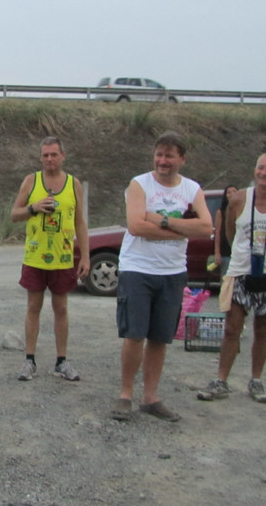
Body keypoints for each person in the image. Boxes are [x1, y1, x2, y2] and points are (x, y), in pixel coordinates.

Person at [112, 132, 212, 422]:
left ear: (182, 159)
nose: (162, 160)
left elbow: (206, 228)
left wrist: (162, 219)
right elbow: (136, 226)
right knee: (135, 334)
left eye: (169, 155)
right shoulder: (139, 184)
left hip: (172, 271)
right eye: (159, 154)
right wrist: (182, 229)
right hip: (138, 269)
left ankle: (151, 397)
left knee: (160, 337)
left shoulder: (192, 189)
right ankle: (125, 394)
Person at [198, 153, 266, 404]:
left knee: (262, 329)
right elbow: (230, 233)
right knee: (232, 328)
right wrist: (243, 254)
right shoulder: (239, 199)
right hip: (240, 270)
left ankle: (256, 380)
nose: (264, 173)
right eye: (260, 168)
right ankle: (221, 380)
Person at [10, 136, 90, 381]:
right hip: (35, 257)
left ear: (62, 156)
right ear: (40, 157)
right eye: (45, 155)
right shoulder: (31, 181)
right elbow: (14, 214)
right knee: (33, 307)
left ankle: (61, 361)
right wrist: (33, 208)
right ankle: (29, 360)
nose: (49, 159)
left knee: (61, 308)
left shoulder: (73, 184)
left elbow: (80, 221)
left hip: (62, 258)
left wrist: (85, 256)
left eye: (54, 154)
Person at [213, 185, 239, 276]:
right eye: (228, 192)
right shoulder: (221, 211)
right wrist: (217, 253)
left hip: (240, 251)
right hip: (225, 251)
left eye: (234, 191)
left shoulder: (242, 210)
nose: (231, 194)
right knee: (226, 278)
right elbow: (217, 232)